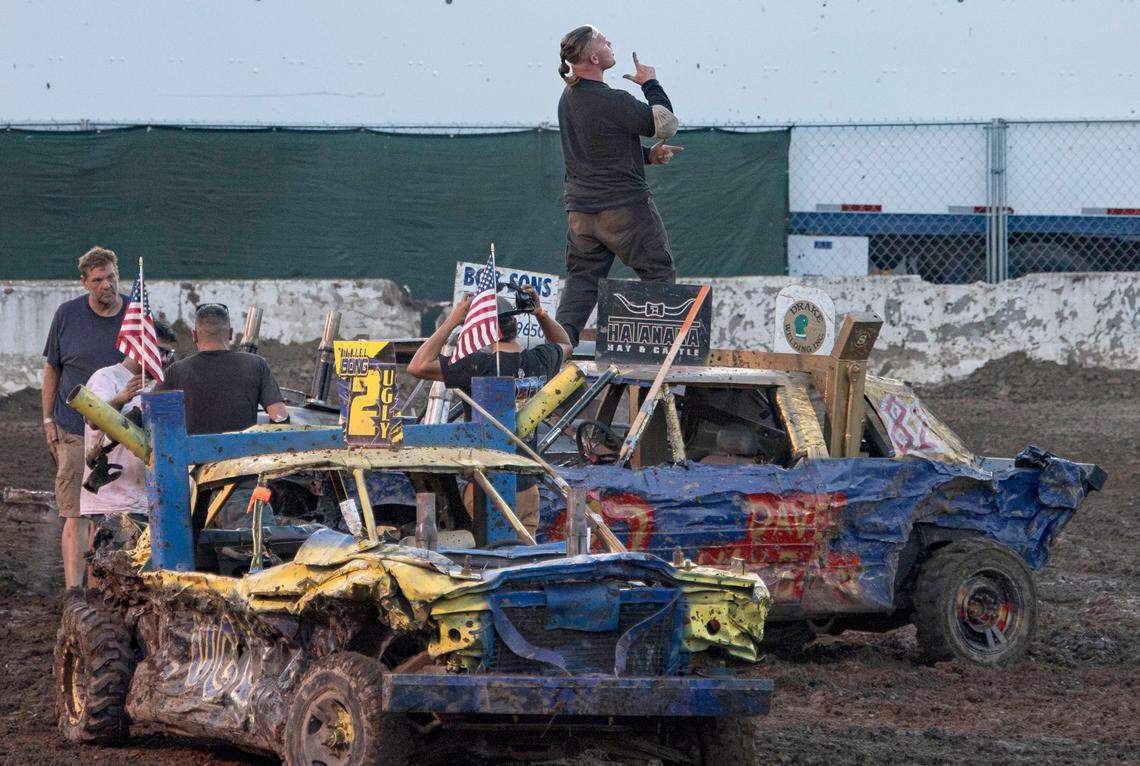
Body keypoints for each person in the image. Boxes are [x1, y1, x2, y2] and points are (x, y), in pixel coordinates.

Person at [554, 25, 685, 347]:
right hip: (625, 209)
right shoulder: (614, 100)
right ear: (595, 58)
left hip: (582, 215)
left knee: (581, 284)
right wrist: (650, 83)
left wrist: (648, 157)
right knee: (658, 275)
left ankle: (556, 352)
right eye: (603, 40)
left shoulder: (568, 98)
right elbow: (665, 123)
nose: (610, 42)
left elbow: (600, 152)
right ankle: (659, 356)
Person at [407, 285, 573, 536]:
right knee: (523, 564)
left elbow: (418, 365)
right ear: (515, 327)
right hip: (528, 488)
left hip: (487, 486)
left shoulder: (478, 366)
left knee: (485, 562)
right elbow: (564, 343)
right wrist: (540, 313)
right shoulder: (539, 361)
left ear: (484, 330)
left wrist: (453, 320)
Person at [42, 246, 129, 592]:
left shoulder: (136, 318)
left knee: (107, 513)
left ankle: (96, 590)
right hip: (75, 430)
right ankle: (72, 592)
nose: (106, 285)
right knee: (75, 512)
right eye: (97, 280)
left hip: (120, 433)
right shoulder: (67, 315)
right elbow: (52, 368)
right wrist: (48, 420)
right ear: (84, 283)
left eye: (110, 277)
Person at [80, 320, 178, 519]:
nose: (165, 359)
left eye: (169, 353)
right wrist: (120, 399)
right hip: (113, 497)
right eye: (160, 351)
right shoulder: (106, 377)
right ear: (139, 347)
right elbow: (93, 420)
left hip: (149, 497)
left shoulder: (159, 384)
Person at [159, 303, 288, 434]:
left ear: (194, 335)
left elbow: (148, 417)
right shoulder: (256, 365)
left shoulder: (176, 371)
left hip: (190, 453)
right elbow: (280, 418)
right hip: (244, 453)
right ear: (231, 333)